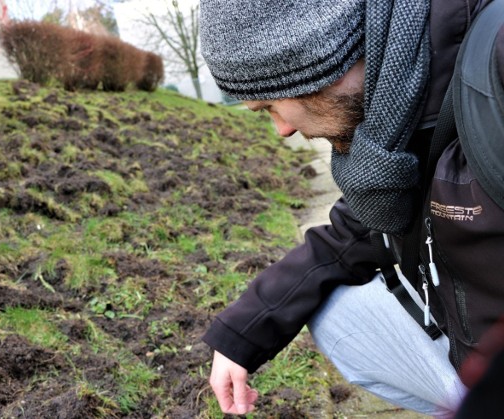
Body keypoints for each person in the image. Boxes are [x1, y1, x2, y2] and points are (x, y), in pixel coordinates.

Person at [198, 0, 504, 416]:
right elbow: (358, 229)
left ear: (313, 61)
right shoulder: (399, 117)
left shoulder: (496, 72)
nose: (282, 129)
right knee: (338, 313)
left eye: (270, 106)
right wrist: (242, 333)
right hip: (474, 357)